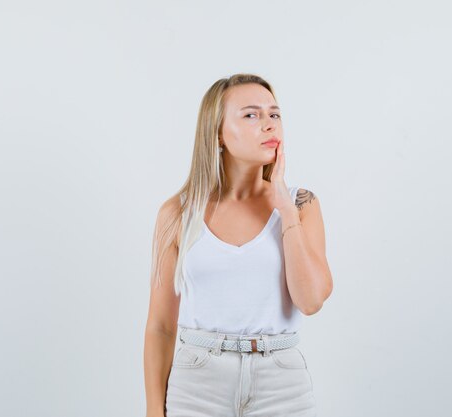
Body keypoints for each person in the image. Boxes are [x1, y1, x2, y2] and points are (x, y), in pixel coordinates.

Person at [143, 73, 333, 417]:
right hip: (198, 384)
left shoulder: (301, 204)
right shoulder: (178, 213)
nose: (268, 124)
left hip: (282, 384)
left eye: (274, 114)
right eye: (251, 114)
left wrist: (286, 212)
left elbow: (311, 300)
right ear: (217, 133)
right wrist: (154, 412)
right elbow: (161, 326)